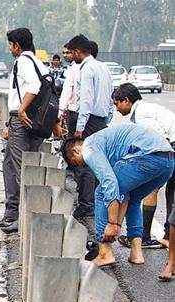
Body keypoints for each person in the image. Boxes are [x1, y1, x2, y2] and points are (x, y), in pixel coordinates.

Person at [61, 124, 174, 267]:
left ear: (75, 151)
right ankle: (136, 253)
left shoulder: (89, 148)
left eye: (77, 164)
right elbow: (123, 193)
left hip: (146, 156)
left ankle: (104, 253)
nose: (83, 167)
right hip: (168, 161)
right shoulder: (107, 147)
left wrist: (112, 224)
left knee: (101, 192)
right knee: (134, 199)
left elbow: (110, 183)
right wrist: (117, 225)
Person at [0, 28, 48, 233]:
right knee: (10, 164)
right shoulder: (38, 62)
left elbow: (33, 86)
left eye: (10, 45)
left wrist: (21, 110)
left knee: (19, 168)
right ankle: (11, 212)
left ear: (16, 45)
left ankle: (21, 218)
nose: (10, 49)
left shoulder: (22, 62)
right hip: (33, 121)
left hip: (23, 120)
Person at [112, 83, 175, 248]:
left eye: (117, 104)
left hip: (170, 146)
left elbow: (158, 139)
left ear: (126, 100)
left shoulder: (142, 115)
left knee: (151, 188)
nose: (116, 109)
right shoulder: (143, 109)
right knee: (171, 192)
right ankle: (168, 235)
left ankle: (145, 237)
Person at [65, 35, 113, 220]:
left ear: (78, 51)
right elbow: (110, 97)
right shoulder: (103, 67)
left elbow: (85, 100)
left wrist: (80, 127)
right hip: (101, 120)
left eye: (72, 52)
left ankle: (86, 205)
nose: (71, 56)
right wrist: (106, 119)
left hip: (88, 120)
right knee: (99, 163)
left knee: (84, 163)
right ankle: (98, 201)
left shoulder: (85, 69)